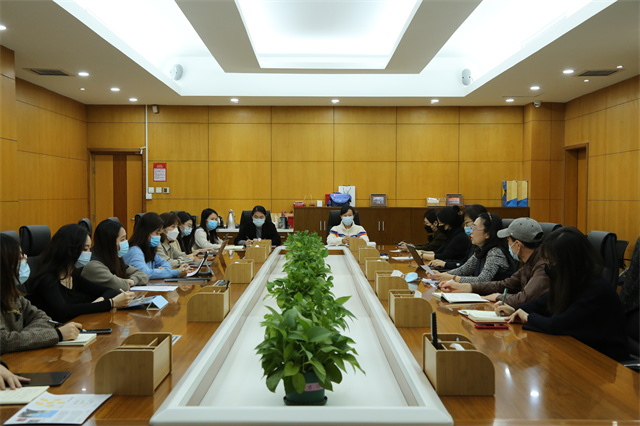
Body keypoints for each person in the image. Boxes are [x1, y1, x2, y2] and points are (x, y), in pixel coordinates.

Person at [496, 227, 628, 362]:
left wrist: (528, 317)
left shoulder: (596, 288)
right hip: (578, 349)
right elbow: (544, 302)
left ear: (568, 261)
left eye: (552, 260)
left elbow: (558, 324)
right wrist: (515, 310)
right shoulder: (573, 280)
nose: (549, 265)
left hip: (603, 358)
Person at [26, 224, 134, 323]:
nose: (89, 254)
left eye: (89, 249)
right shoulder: (47, 279)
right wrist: (111, 303)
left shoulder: (72, 277)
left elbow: (110, 291)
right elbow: (63, 311)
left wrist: (98, 303)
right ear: (69, 250)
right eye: (85, 249)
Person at [1, 234, 82, 354]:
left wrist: (21, 338)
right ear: (4, 265)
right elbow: (4, 342)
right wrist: (57, 334)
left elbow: (44, 318)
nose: (24, 260)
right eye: (19, 258)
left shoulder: (14, 296)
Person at [440, 217, 549, 306]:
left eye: (508, 240)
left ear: (518, 245)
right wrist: (467, 287)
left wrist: (498, 297)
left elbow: (524, 298)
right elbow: (505, 284)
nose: (507, 244)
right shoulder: (530, 262)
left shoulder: (543, 266)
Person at [428, 213, 515, 283]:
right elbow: (465, 269)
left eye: (474, 228)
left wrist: (452, 277)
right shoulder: (481, 249)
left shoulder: (495, 252)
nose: (471, 231)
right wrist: (442, 274)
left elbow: (482, 280)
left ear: (487, 234)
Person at [81, 219, 149, 292]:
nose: (125, 242)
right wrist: (126, 282)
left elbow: (143, 275)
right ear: (110, 242)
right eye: (122, 239)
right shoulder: (92, 265)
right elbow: (121, 286)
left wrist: (132, 280)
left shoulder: (113, 258)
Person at [124, 212, 189, 280]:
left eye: (160, 234)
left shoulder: (149, 249)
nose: (159, 237)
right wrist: (175, 272)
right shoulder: (135, 251)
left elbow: (166, 264)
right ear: (146, 233)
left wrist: (161, 271)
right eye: (157, 233)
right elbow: (144, 274)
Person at [429, 204, 488, 270]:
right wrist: (445, 264)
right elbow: (464, 263)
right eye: (464, 224)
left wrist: (445, 265)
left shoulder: (460, 237)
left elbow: (468, 268)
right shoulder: (473, 244)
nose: (466, 228)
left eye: (467, 223)